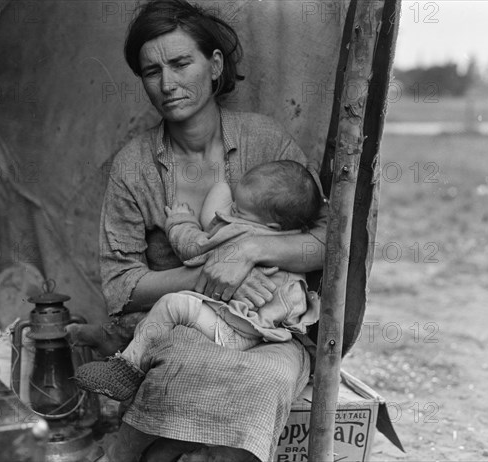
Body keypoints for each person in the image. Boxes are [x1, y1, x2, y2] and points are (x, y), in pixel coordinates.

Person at [69, 0, 328, 460]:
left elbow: (329, 243)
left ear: (214, 65)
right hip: (187, 326)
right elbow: (120, 286)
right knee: (182, 369)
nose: (167, 84)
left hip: (271, 331)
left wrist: (248, 251)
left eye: (180, 63)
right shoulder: (135, 165)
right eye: (151, 71)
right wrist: (208, 275)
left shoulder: (265, 141)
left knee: (263, 385)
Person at [75, 160, 324, 402]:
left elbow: (194, 247)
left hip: (236, 330)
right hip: (266, 330)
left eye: (238, 209)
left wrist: (180, 221)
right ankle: (118, 342)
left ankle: (126, 369)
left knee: (172, 306)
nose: (230, 210)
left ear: (269, 224)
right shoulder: (291, 236)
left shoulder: (240, 231)